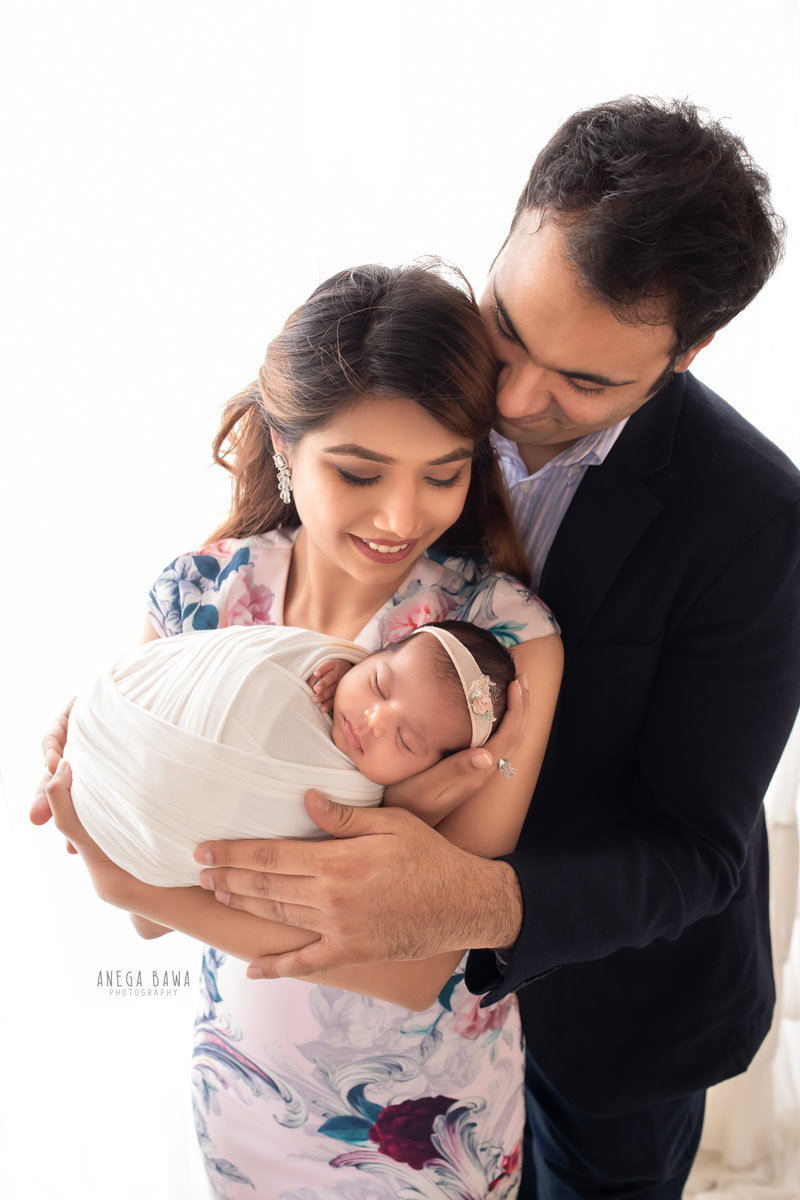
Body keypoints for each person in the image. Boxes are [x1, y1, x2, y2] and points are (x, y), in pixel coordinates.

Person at [38, 97, 800, 1197]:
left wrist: (465, 904)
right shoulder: (423, 371)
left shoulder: (755, 522)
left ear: (688, 353)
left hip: (612, 1008)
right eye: (510, 329)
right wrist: (139, 721)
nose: (515, 399)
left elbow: (694, 847)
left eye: (585, 382)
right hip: (301, 1048)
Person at [34, 260, 564, 1198]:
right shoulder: (199, 596)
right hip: (242, 1081)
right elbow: (153, 909)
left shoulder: (504, 642)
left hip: (431, 1119)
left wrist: (129, 873)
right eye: (359, 472)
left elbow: (426, 962)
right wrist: (114, 833)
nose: (403, 515)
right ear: (286, 446)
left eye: (445, 474)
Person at [65, 619, 517, 887]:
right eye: (378, 682)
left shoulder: (371, 799)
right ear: (372, 654)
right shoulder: (333, 667)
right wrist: (342, 666)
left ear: (428, 769)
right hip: (114, 755)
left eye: (406, 740)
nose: (374, 719)